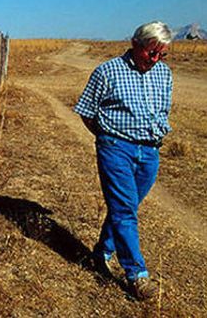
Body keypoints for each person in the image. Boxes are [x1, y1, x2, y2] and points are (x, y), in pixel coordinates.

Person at [74, 21, 173, 301]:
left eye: (161, 54)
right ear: (135, 44)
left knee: (125, 206)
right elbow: (87, 112)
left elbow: (162, 111)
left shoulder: (164, 74)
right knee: (125, 210)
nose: (155, 60)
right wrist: (108, 140)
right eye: (150, 53)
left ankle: (103, 251)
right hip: (116, 148)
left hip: (150, 152)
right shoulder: (107, 72)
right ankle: (137, 275)